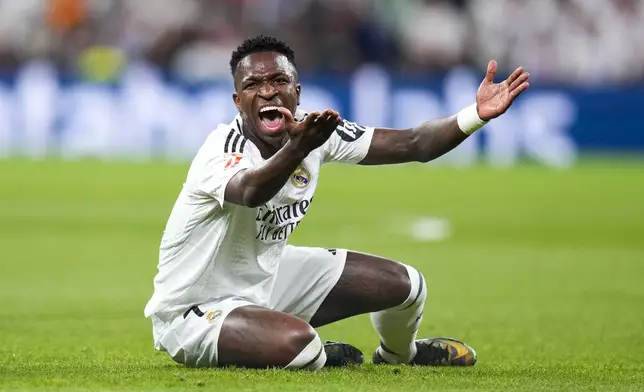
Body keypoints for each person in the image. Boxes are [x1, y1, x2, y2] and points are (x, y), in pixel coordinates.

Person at [144, 35, 530, 370]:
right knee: (302, 345)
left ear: (297, 91)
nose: (267, 91)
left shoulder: (314, 130)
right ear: (237, 99)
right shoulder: (224, 148)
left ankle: (400, 355)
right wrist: (298, 147)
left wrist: (475, 115)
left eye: (279, 80)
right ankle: (314, 355)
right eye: (253, 84)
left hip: (264, 280)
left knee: (407, 285)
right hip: (194, 311)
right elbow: (250, 191)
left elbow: (414, 143)